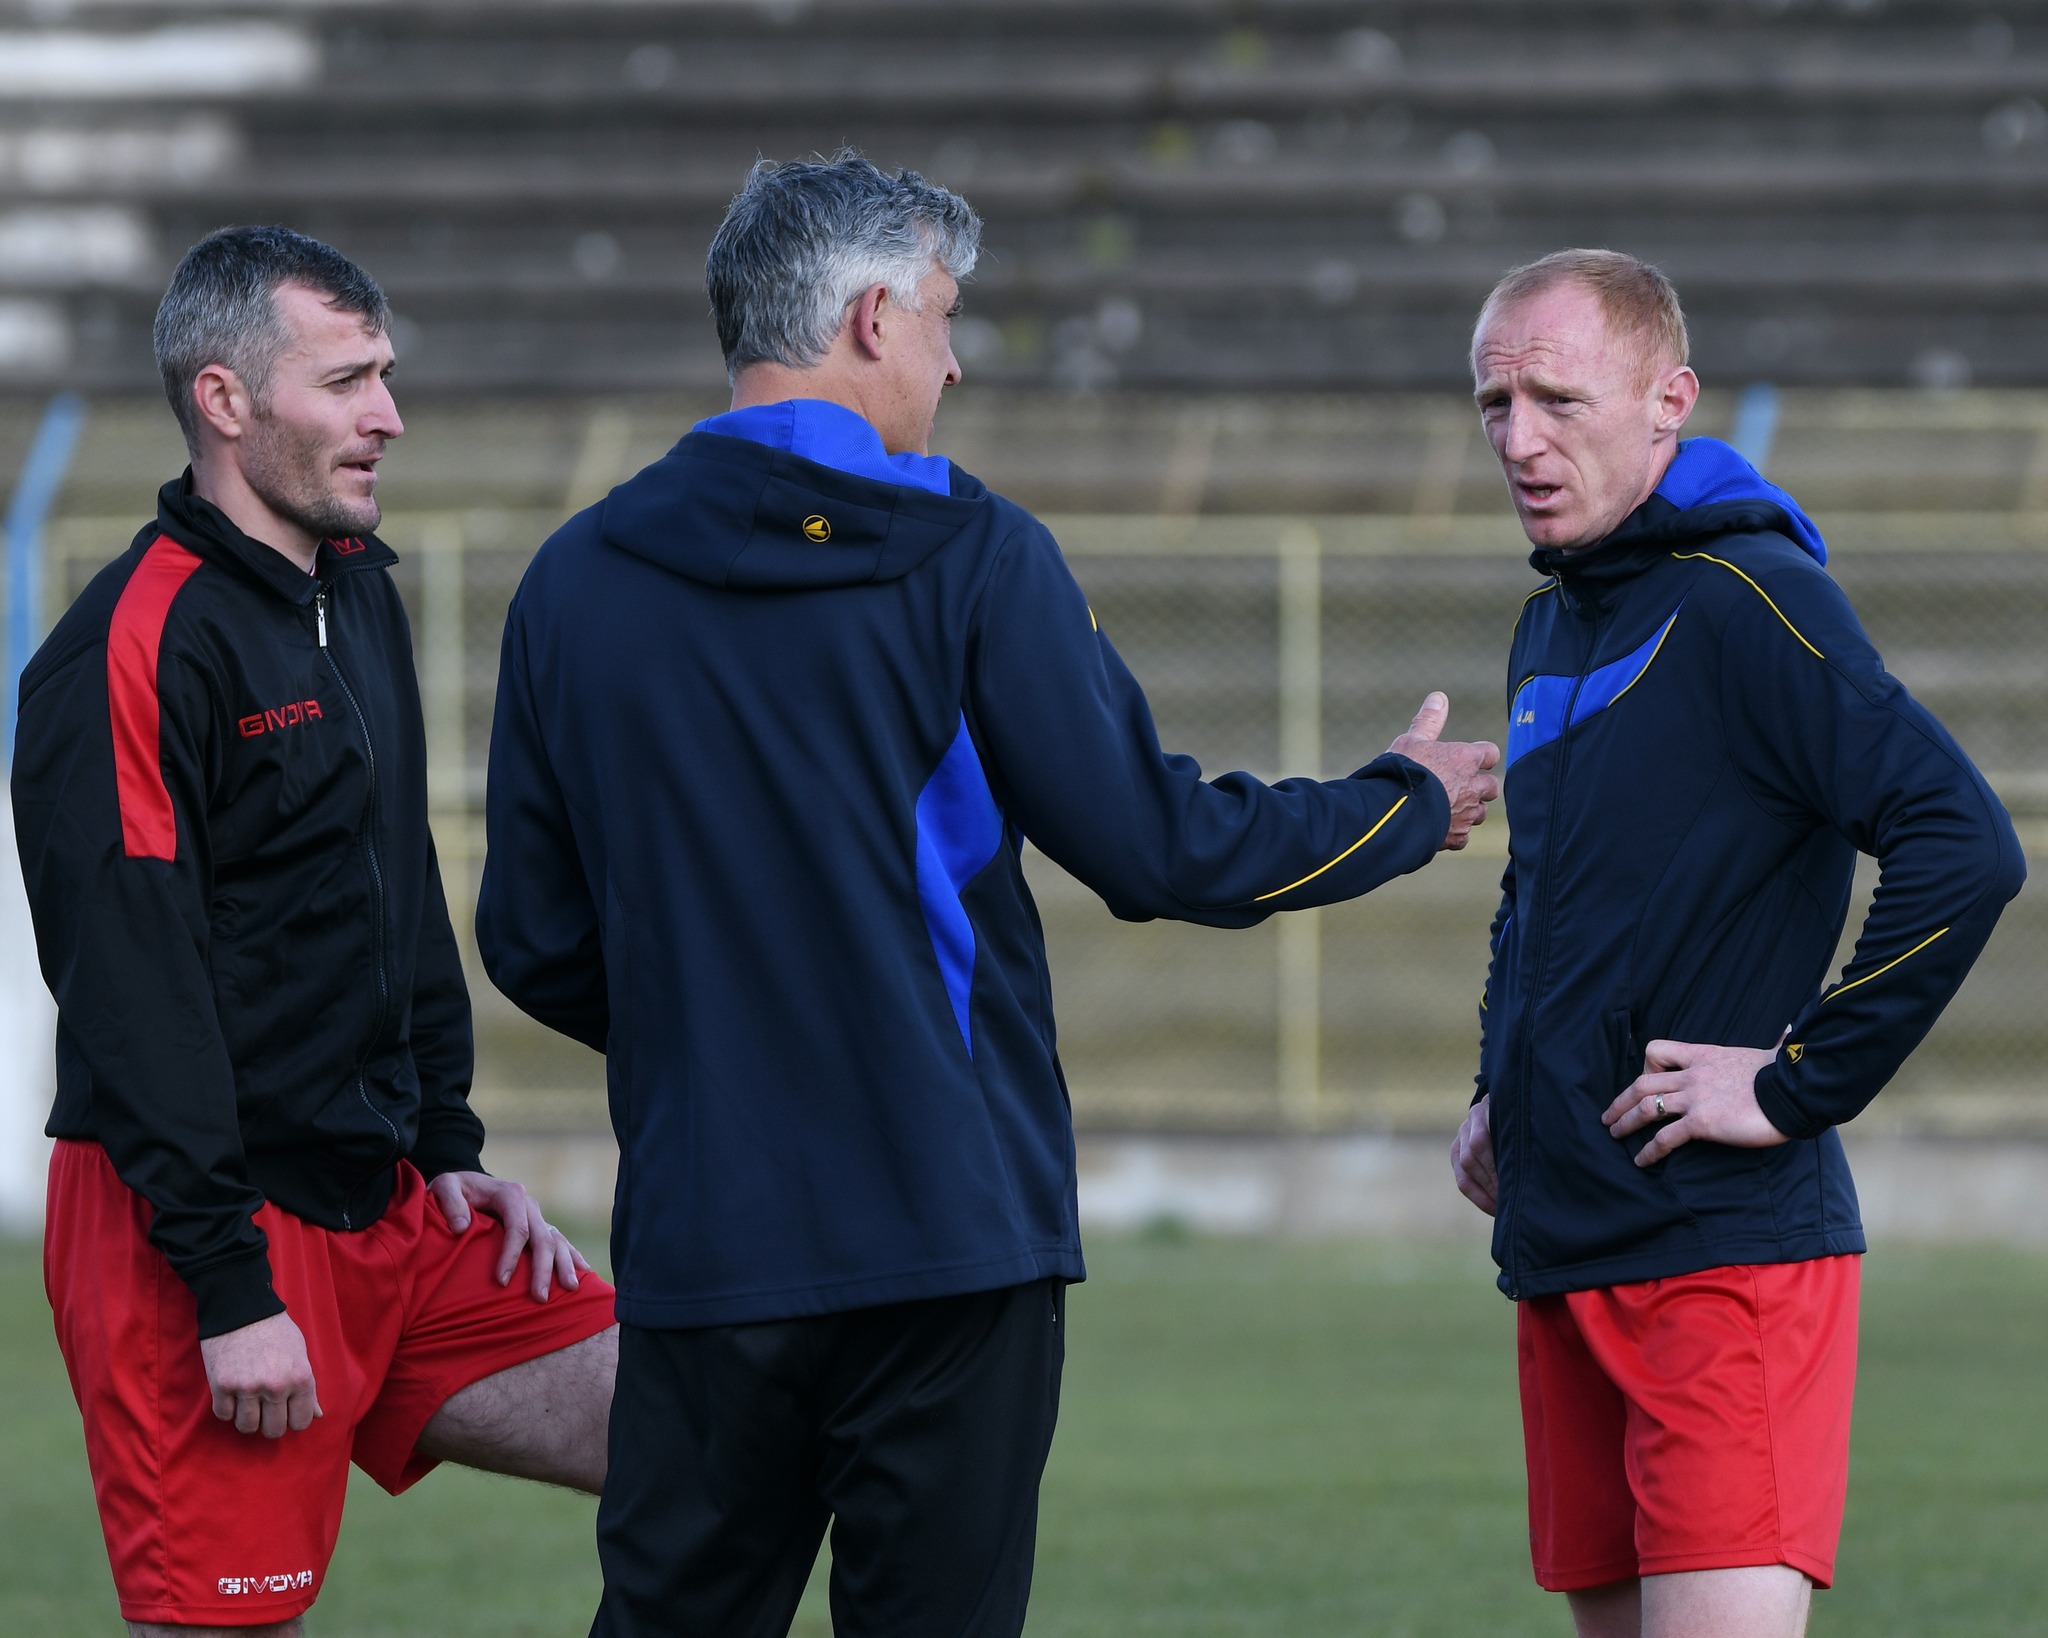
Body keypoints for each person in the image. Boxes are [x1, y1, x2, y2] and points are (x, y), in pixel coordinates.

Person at [477, 152, 1501, 1638]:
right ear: (872, 319)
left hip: (708, 1238)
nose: (955, 361)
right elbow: (1159, 848)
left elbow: (532, 937)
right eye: (945, 317)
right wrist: (1403, 804)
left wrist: (727, 1039)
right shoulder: (969, 554)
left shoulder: (572, 579)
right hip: (945, 1234)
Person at [12, 226, 619, 1638]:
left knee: (712, 1431)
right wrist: (230, 1288)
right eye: (347, 381)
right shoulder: (128, 646)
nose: (387, 415)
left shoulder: (357, 590)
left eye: (385, 375)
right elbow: (134, 995)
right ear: (225, 400)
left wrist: (450, 1150)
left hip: (394, 1207)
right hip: (201, 1240)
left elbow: (398, 889)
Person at [1449, 248, 2027, 1638]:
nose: (1520, 440)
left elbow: (1964, 844)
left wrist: (1791, 1082)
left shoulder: (1750, 597)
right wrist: (1497, 1086)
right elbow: (1545, 891)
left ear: (1670, 401)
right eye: (1494, 404)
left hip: (1723, 1258)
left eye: (1559, 400)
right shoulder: (1549, 625)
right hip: (1567, 1241)